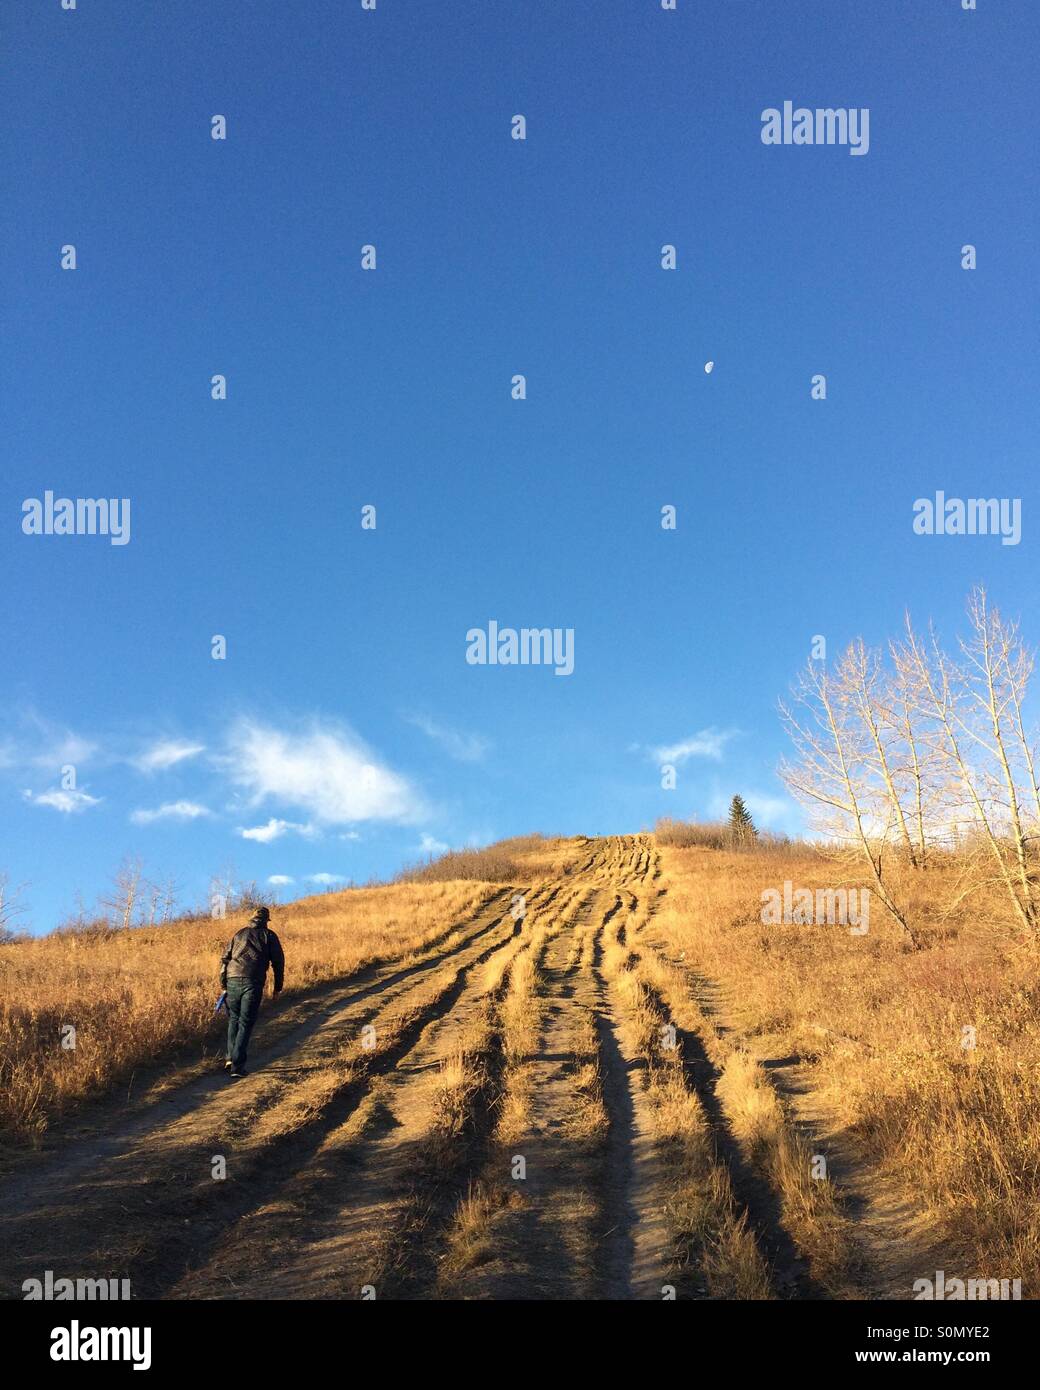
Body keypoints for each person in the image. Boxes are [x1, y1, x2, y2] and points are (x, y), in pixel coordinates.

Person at [219, 906, 285, 1078]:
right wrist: (278, 987)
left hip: (232, 980)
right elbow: (278, 963)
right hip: (253, 981)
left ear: (252, 918)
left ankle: (229, 1058)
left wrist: (223, 983)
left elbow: (225, 959)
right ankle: (237, 1067)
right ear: (266, 920)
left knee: (234, 1018)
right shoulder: (269, 936)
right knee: (246, 1022)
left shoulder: (239, 934)